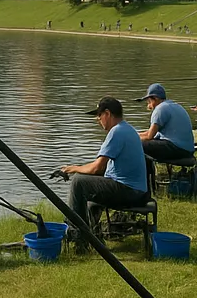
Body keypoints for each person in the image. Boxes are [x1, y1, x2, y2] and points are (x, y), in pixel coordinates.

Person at [59, 96, 149, 241]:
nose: (98, 119)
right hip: (138, 191)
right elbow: (101, 169)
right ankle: (90, 231)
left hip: (130, 192)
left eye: (99, 115)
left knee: (78, 182)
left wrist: (73, 169)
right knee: (87, 182)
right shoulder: (128, 129)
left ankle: (77, 235)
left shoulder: (116, 132)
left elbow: (97, 168)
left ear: (107, 113)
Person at [137, 83, 197, 163]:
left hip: (177, 149)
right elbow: (152, 133)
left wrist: (132, 139)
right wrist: (134, 134)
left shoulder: (160, 109)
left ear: (155, 98)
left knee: (138, 144)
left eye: (149, 102)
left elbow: (149, 136)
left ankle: (147, 170)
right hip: (188, 150)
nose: (149, 106)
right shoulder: (174, 105)